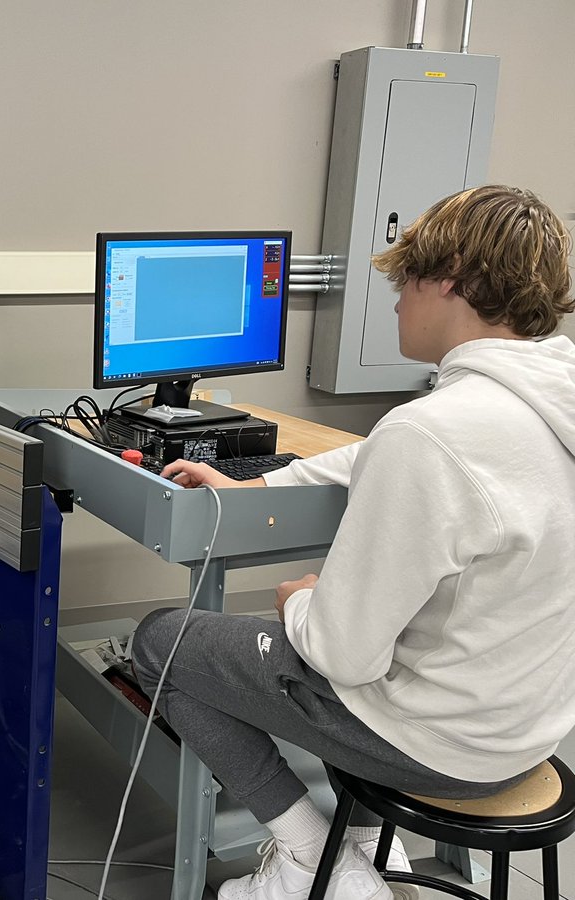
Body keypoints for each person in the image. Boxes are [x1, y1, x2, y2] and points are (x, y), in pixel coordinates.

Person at [131, 184, 575, 900]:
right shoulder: (539, 406)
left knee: (160, 642)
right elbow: (383, 455)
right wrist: (258, 487)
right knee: (405, 626)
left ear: (449, 278)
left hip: (440, 749)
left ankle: (312, 857)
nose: (396, 301)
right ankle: (367, 843)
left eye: (405, 280)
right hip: (526, 730)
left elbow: (344, 653)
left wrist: (302, 601)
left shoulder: (432, 434)